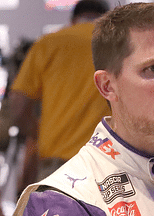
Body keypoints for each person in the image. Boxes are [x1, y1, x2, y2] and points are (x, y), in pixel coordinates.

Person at [14, 2, 154, 215]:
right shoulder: (61, 200)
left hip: (63, 159)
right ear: (106, 86)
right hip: (81, 177)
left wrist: (43, 133)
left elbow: (18, 108)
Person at [9, 0, 111, 195]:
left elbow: (18, 106)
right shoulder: (120, 48)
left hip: (57, 170)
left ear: (73, 19)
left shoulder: (48, 43)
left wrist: (39, 132)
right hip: (108, 167)